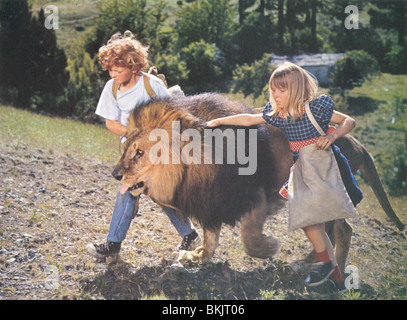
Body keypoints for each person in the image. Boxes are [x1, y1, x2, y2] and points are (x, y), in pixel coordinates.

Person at [206, 62, 362, 289]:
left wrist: (334, 135)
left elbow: (349, 121)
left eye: (283, 90)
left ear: (297, 89)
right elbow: (249, 119)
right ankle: (334, 273)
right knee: (312, 223)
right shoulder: (279, 115)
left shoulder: (315, 108)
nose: (277, 95)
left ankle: (329, 265)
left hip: (325, 166)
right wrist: (219, 121)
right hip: (303, 169)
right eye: (274, 90)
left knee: (315, 220)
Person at [86, 31, 200, 260]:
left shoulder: (152, 85)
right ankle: (190, 235)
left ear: (135, 67)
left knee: (128, 189)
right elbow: (111, 123)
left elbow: (172, 116)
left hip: (158, 151)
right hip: (132, 153)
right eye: (110, 70)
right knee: (155, 193)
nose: (114, 75)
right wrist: (134, 134)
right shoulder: (112, 88)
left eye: (119, 70)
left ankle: (112, 247)